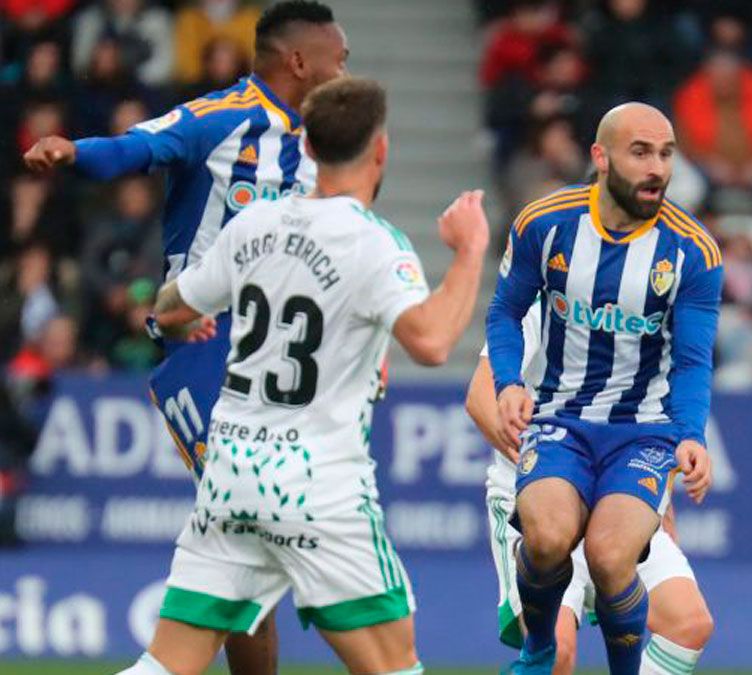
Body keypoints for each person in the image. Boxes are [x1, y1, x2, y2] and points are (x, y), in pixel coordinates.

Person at [123, 76, 490, 675]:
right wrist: (471, 250)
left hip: (231, 473)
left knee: (164, 665)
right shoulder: (376, 244)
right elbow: (431, 340)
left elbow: (171, 305)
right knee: (396, 667)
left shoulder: (252, 225)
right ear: (381, 149)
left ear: (310, 150)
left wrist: (177, 321)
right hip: (317, 488)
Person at [23, 2, 347, 673]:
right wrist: (74, 151)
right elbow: (139, 145)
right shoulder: (219, 117)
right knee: (247, 515)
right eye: (336, 57)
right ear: (297, 60)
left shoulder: (323, 145)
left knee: (246, 538)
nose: (344, 68)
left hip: (282, 360)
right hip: (204, 342)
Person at [486, 102, 721, 674]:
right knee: (544, 539)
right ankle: (538, 645)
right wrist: (509, 384)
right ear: (600, 156)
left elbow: (692, 362)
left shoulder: (693, 251)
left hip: (642, 433)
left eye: (666, 154)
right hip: (561, 421)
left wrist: (691, 435)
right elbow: (504, 311)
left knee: (613, 559)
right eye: (641, 152)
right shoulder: (545, 223)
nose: (656, 168)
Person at [467, 307, 713, 675]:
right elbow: (479, 397)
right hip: (543, 505)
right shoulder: (546, 295)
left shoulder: (643, 299)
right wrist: (547, 469)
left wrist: (662, 504)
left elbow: (647, 417)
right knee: (558, 652)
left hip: (616, 498)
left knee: (689, 624)